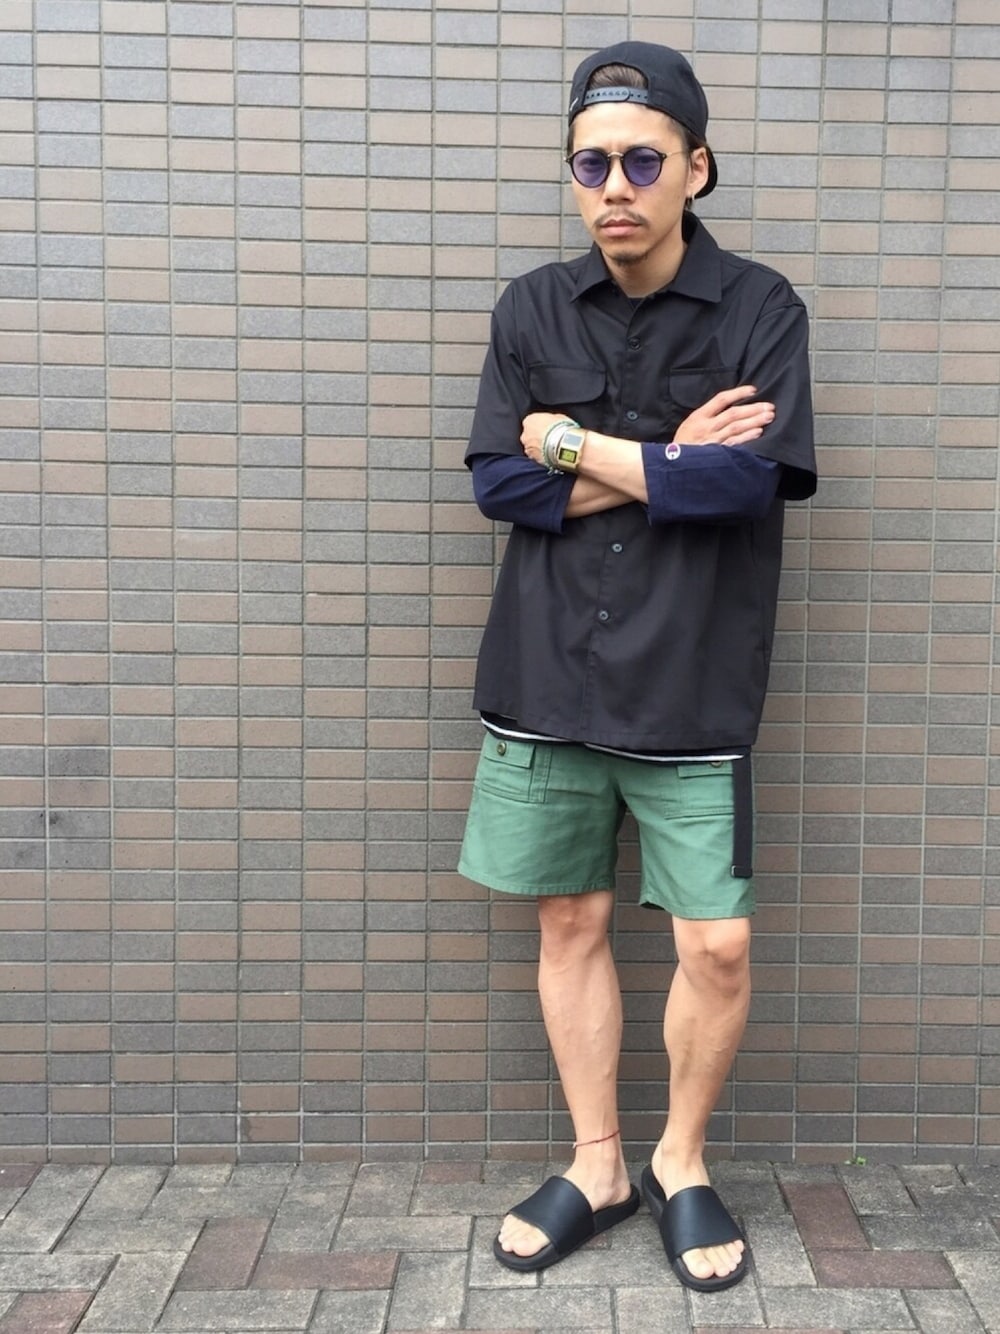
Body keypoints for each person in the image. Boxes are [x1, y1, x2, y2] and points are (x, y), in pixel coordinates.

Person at [458, 41, 816, 1292]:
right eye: (590, 163)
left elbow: (746, 482)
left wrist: (570, 443)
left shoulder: (760, 309)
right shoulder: (529, 308)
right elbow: (497, 481)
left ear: (695, 169)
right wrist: (666, 456)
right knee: (569, 919)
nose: (614, 185)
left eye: (642, 161)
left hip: (692, 685)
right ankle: (599, 1162)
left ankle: (681, 1157)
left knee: (716, 944)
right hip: (545, 676)